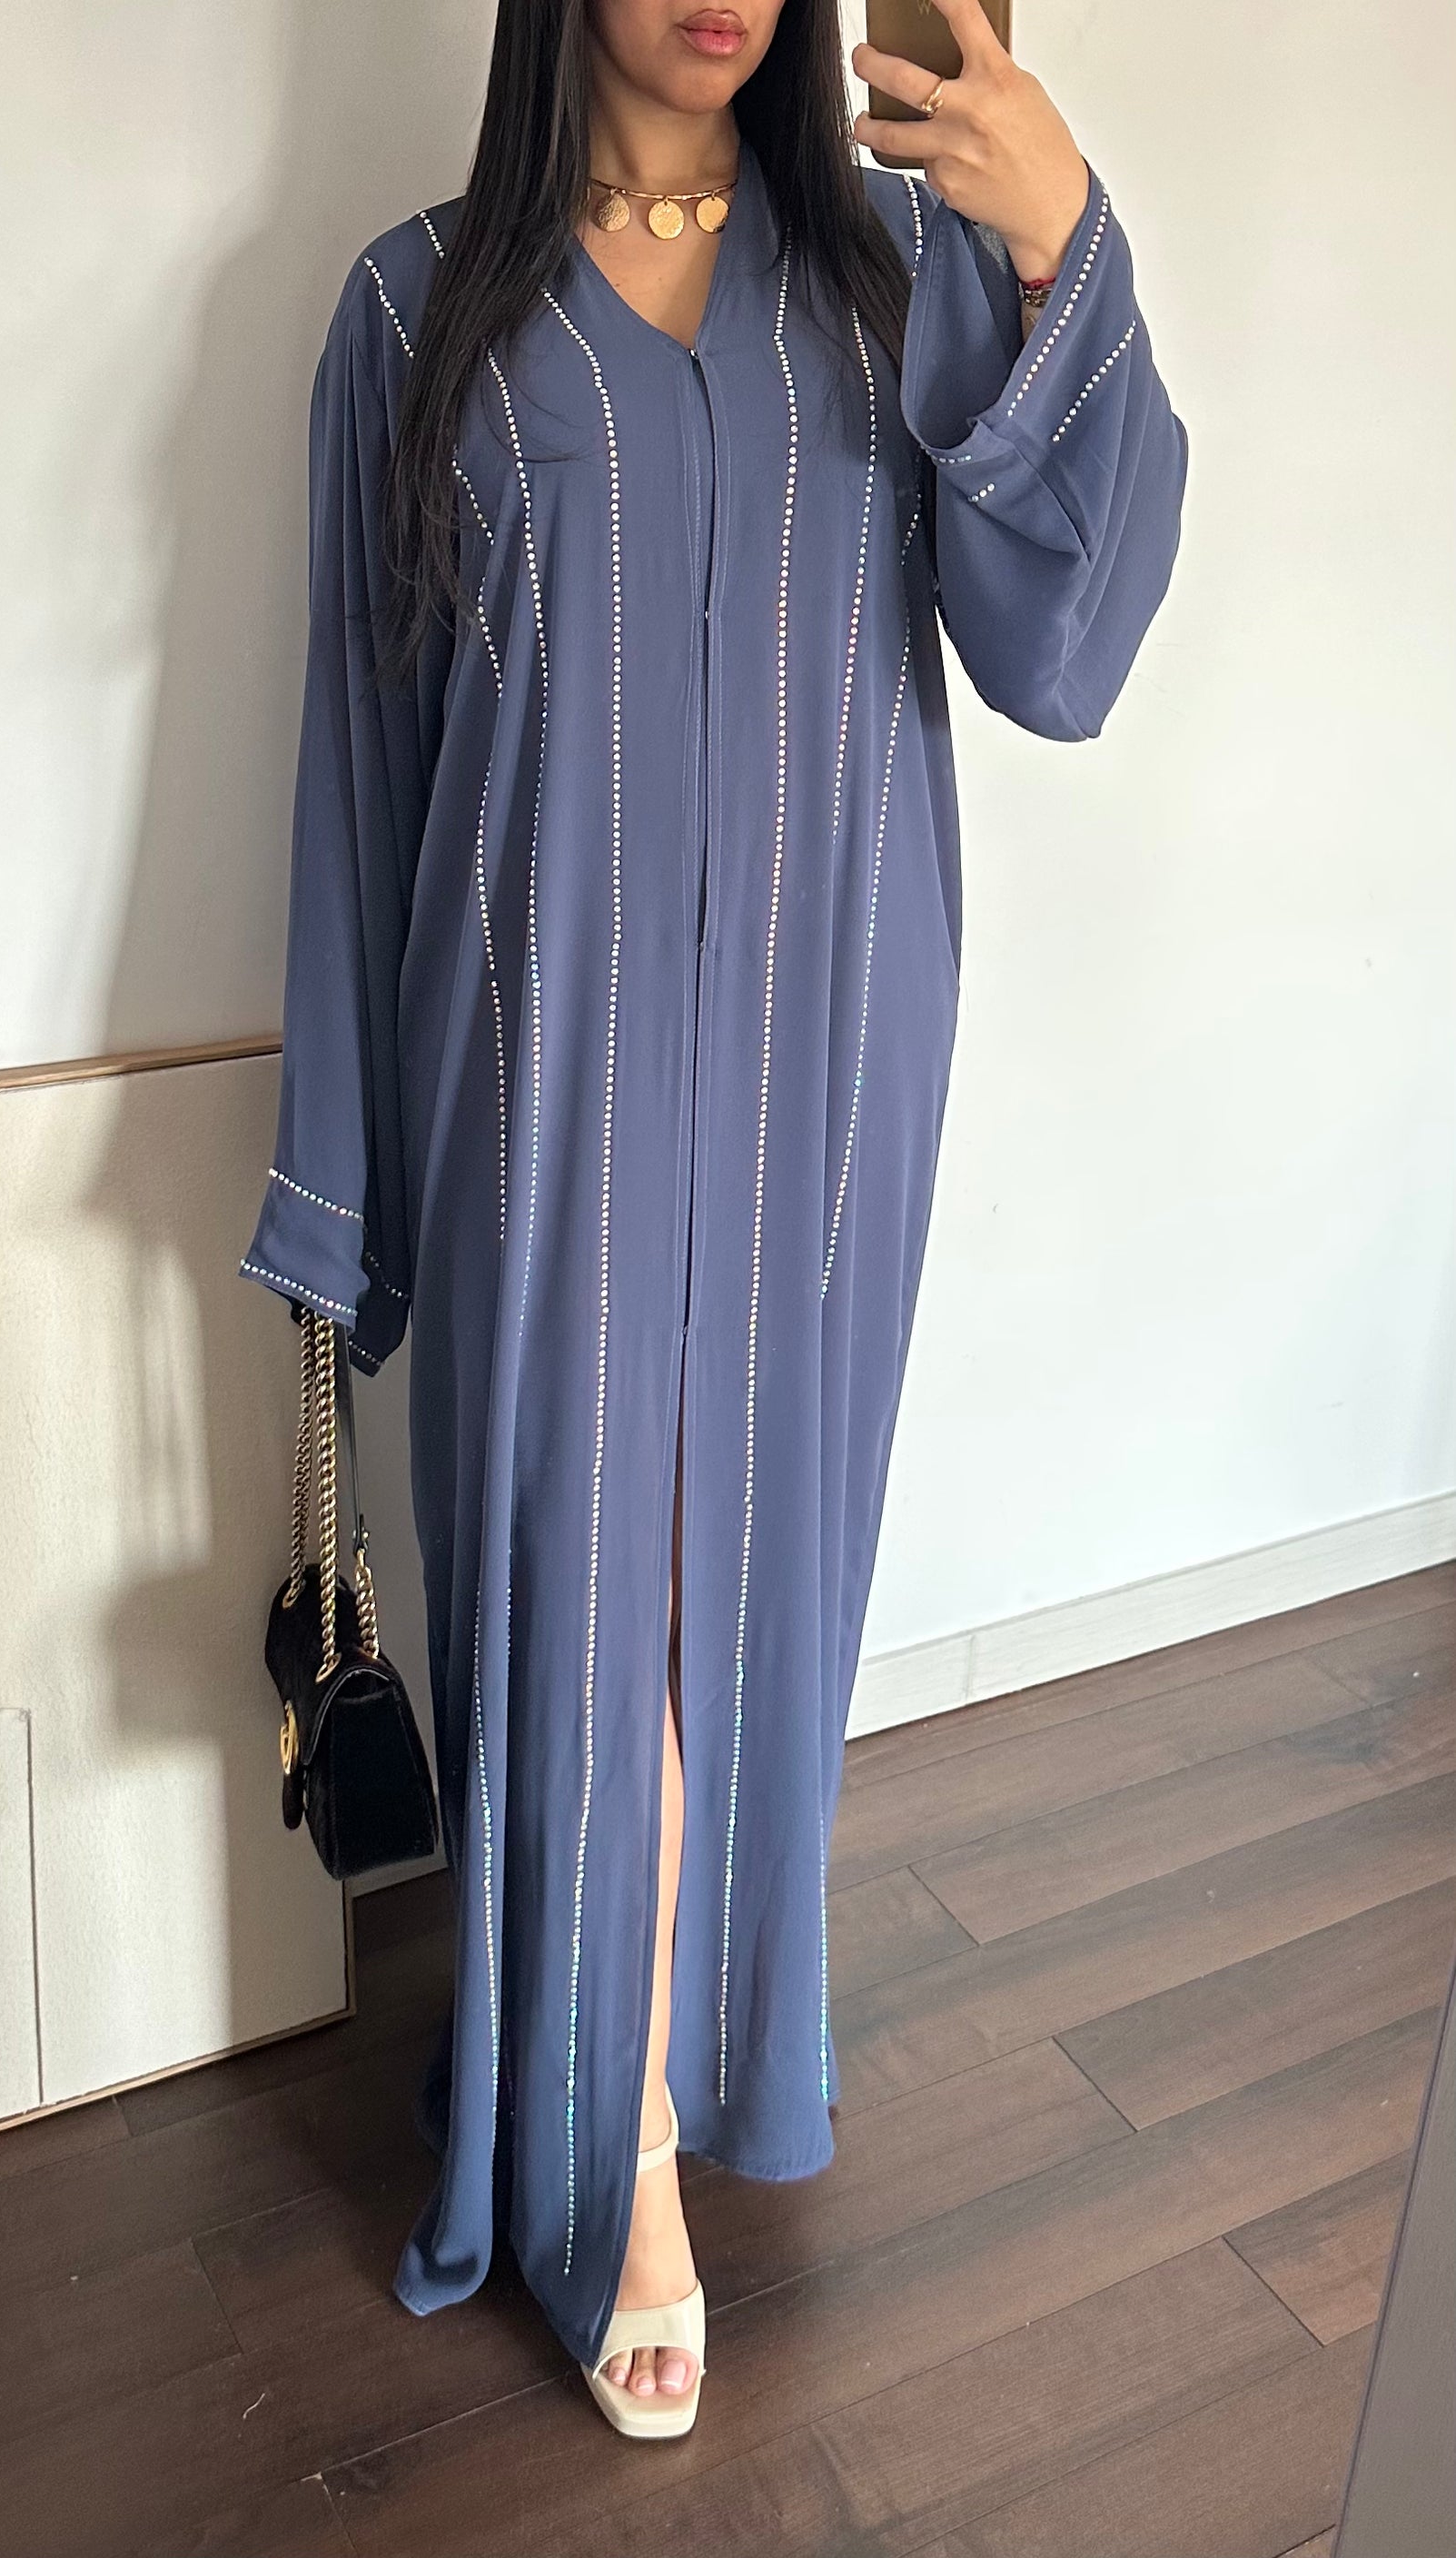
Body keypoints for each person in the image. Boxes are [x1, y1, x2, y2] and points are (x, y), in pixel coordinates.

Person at [241, 0, 1186, 2441]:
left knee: (731, 1594)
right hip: (531, 1083)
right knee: (593, 1597)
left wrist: (1053, 235)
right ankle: (613, 2151)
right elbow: (360, 762)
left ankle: (648, 2076)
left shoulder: (881, 282)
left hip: (816, 1074)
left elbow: (1062, 656)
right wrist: (338, 1186)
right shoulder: (412, 314)